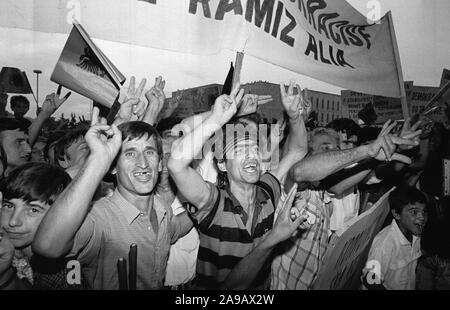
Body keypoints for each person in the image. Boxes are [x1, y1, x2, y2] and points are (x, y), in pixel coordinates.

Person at [168, 81, 310, 289]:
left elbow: (298, 151)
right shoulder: (213, 203)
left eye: (253, 149)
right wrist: (216, 118)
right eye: (240, 150)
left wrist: (295, 118)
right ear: (223, 165)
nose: (250, 155)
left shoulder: (268, 191)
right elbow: (176, 164)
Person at [33, 109, 194, 289]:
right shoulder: (100, 218)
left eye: (149, 152)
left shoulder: (162, 208)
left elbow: (177, 227)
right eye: (130, 154)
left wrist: (207, 200)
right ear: (113, 168)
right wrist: (97, 160)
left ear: (159, 164)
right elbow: (47, 246)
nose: (143, 163)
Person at [270, 121, 420, 290]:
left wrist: (383, 150)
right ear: (308, 154)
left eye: (336, 148)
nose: (334, 152)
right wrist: (367, 151)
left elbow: (339, 186)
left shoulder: (324, 193)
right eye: (326, 148)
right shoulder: (297, 191)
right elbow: (299, 172)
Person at [0, 162, 88, 289]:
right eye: (8, 206)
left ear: (57, 217)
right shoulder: (7, 253)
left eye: (33, 210)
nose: (13, 221)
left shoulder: (63, 273)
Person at [362, 186, 428, 290]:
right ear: (396, 214)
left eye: (424, 212)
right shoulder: (385, 243)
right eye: (414, 212)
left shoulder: (415, 235)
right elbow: (370, 279)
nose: (422, 218)